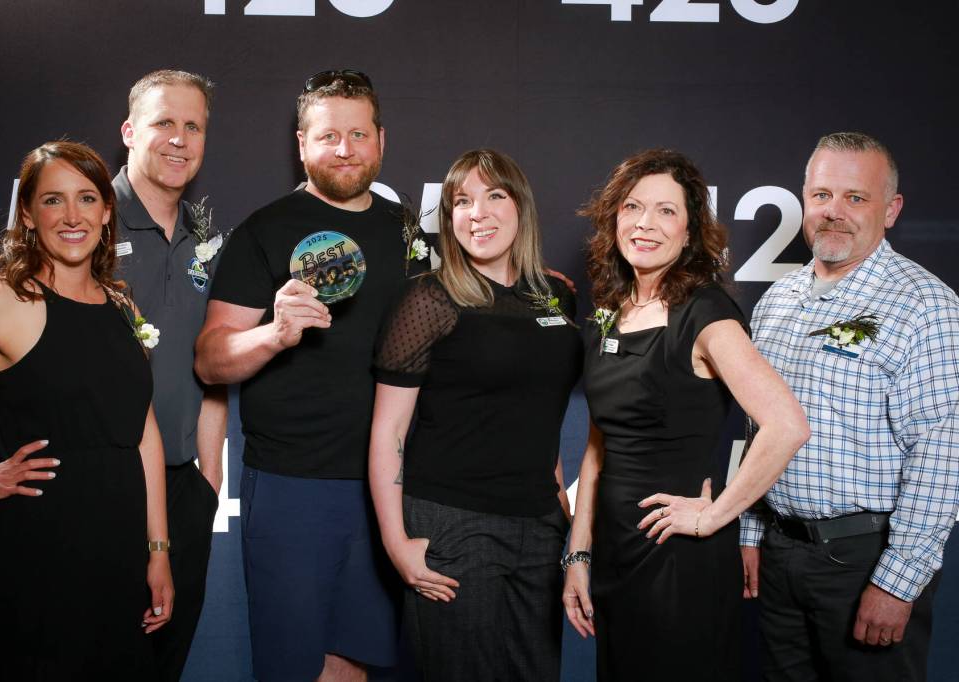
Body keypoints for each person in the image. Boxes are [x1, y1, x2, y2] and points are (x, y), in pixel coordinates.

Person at [195, 70, 427, 681]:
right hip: (294, 483)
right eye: (328, 136)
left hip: (392, 486)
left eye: (358, 134)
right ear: (302, 144)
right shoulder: (265, 230)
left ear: (381, 140)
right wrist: (273, 333)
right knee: (294, 665)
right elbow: (210, 357)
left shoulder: (409, 231)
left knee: (360, 662)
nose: (345, 150)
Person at [562, 149, 808, 681]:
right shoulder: (609, 311)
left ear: (690, 231)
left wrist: (714, 516)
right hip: (616, 554)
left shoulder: (706, 312)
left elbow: (787, 425)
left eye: (666, 211)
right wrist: (578, 555)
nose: (645, 223)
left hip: (680, 560)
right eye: (632, 207)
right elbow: (599, 446)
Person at [0, 141, 173, 678]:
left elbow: (143, 433)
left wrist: (158, 549)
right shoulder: (4, 301)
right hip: (36, 553)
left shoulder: (122, 305)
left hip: (118, 550)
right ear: (26, 213)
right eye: (52, 200)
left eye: (86, 198)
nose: (72, 216)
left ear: (106, 211)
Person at [739, 132, 959, 681]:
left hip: (866, 560)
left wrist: (897, 583)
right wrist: (750, 530)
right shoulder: (776, 302)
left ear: (891, 210)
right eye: (822, 195)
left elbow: (940, 454)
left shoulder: (925, 305)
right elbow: (757, 429)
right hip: (781, 553)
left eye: (855, 197)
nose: (833, 211)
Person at [369, 148, 581, 682]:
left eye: (494, 196)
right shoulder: (429, 299)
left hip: (539, 526)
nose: (477, 213)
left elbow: (540, 409)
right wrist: (396, 542)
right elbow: (389, 430)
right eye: (462, 202)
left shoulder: (556, 296)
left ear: (520, 206)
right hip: (454, 522)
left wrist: (560, 504)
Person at [113, 68, 226, 680]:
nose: (179, 139)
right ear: (130, 131)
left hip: (183, 488)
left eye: (193, 126)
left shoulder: (206, 240)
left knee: (163, 664)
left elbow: (213, 366)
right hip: (101, 485)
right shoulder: (84, 224)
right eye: (164, 123)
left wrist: (209, 479)